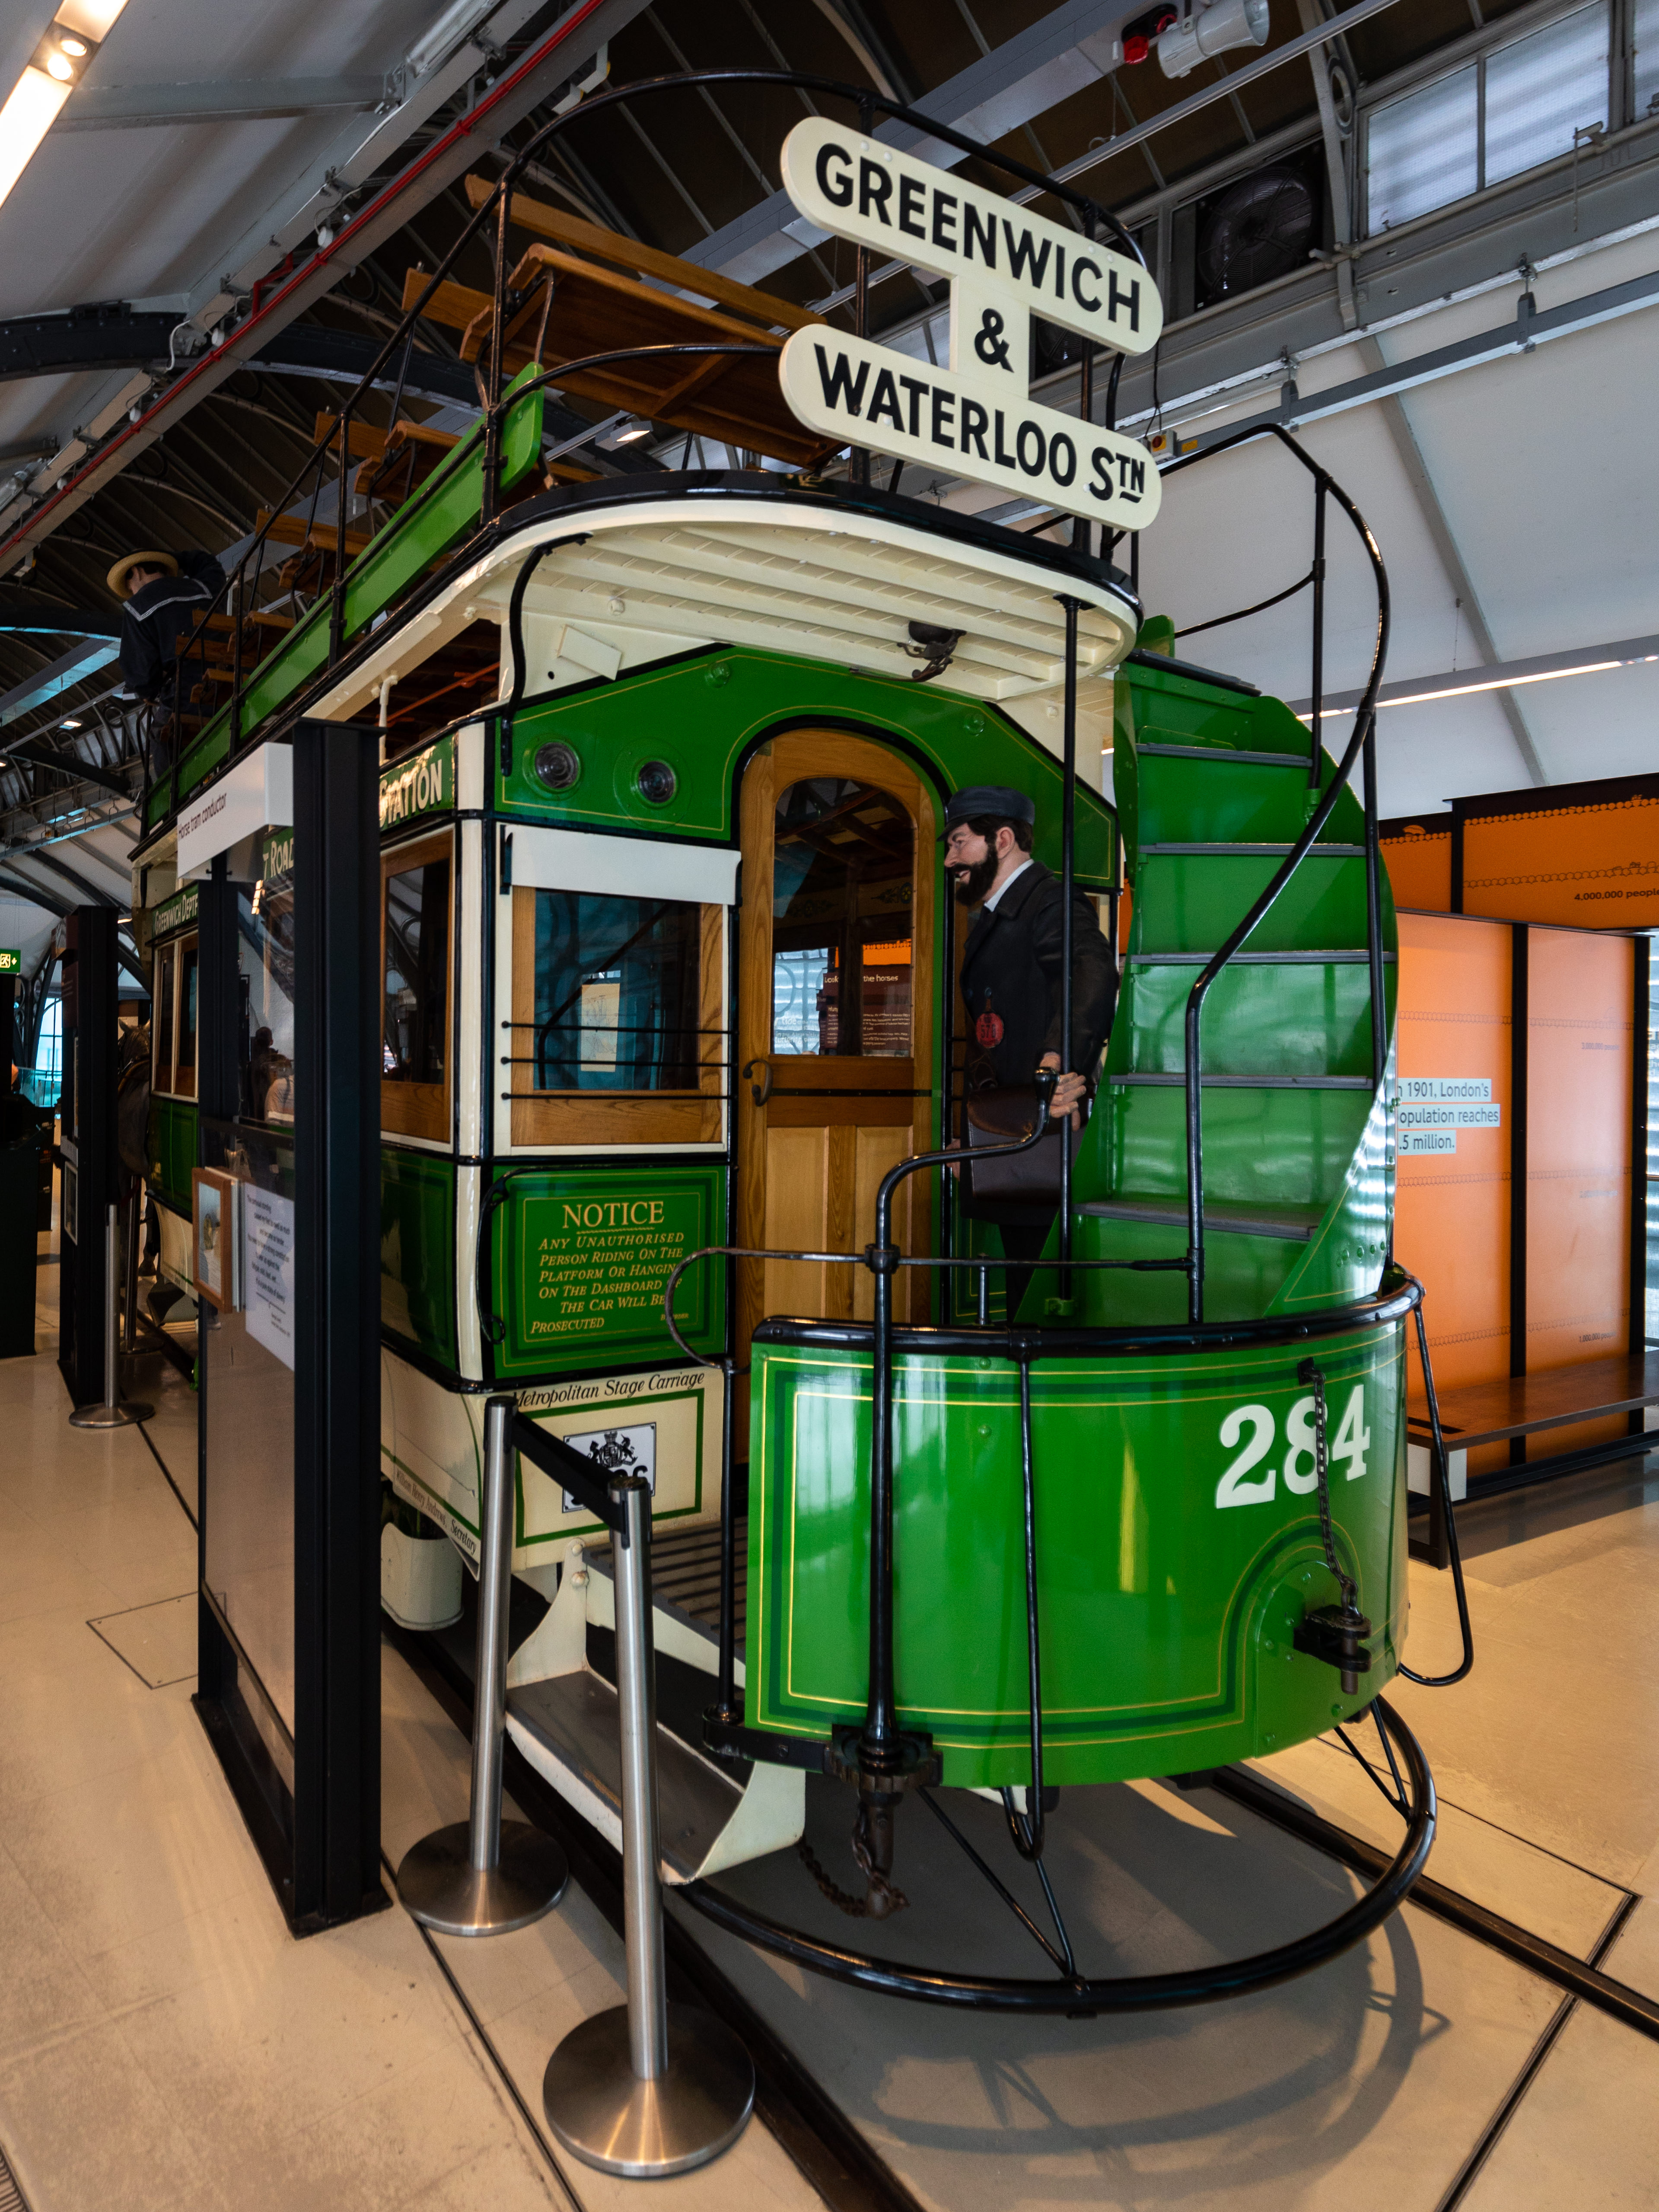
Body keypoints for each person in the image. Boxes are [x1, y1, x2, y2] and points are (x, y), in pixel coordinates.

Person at [944, 783, 1117, 1313]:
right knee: (1025, 1275)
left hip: (1042, 1127)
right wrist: (970, 1137)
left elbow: (1090, 973)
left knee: (1041, 1282)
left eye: (958, 842)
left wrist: (1059, 1061)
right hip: (1010, 1132)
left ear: (1001, 839)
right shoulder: (999, 913)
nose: (950, 860)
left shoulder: (1049, 900)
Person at [108, 547, 226, 771]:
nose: (132, 592)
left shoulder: (137, 607)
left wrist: (148, 692)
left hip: (189, 697)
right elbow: (209, 563)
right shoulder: (204, 588)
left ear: (137, 571)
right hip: (231, 681)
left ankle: (171, 792)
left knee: (159, 736)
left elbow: (141, 673)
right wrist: (174, 558)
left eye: (129, 585)